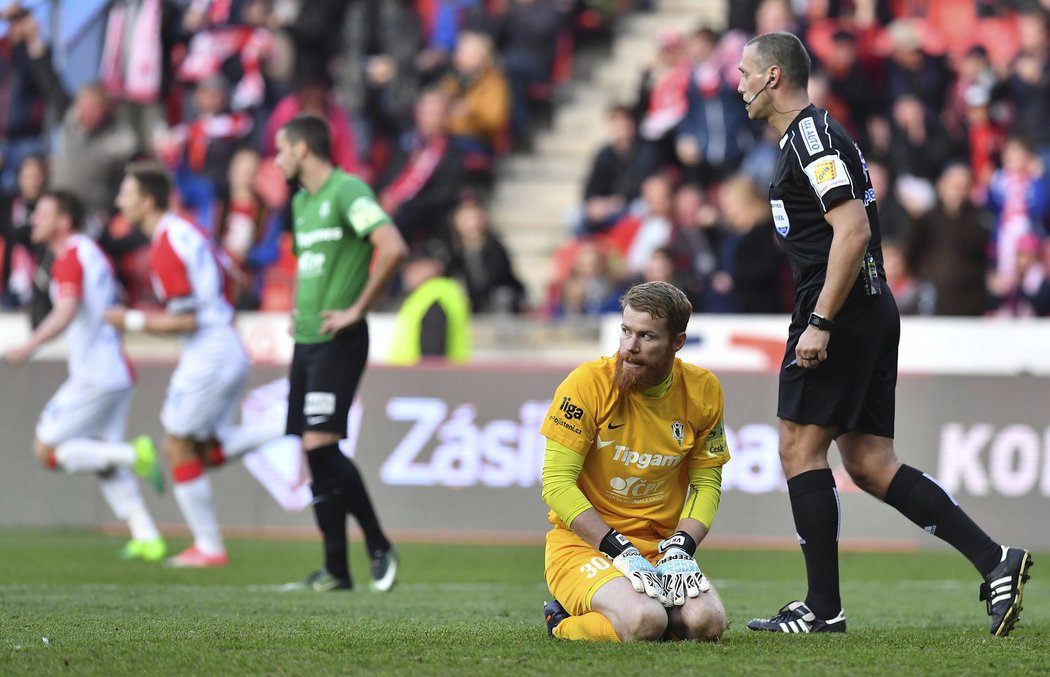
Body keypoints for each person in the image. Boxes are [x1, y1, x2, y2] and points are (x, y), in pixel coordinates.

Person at [736, 32, 1033, 637]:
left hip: (839, 308)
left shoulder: (812, 137)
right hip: (863, 306)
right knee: (870, 462)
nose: (737, 84)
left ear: (772, 76)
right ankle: (994, 559)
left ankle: (823, 608)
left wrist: (819, 321)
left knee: (798, 446)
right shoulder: (808, 136)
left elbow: (852, 233)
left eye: (744, 73)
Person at [105, 162, 282, 568]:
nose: (119, 202)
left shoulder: (167, 244)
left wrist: (129, 319)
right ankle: (285, 428)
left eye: (126, 194)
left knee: (176, 445)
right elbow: (233, 277)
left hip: (209, 353)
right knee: (203, 451)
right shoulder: (189, 230)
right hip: (226, 343)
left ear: (147, 201)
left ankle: (209, 546)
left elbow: (186, 319)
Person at [540, 281, 729, 642]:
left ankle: (635, 607)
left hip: (659, 549)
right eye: (625, 331)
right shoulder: (587, 384)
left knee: (706, 624)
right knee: (646, 622)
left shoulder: (703, 390)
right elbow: (556, 483)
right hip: (584, 545)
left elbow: (706, 484)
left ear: (677, 342)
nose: (630, 347)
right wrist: (617, 547)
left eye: (646, 337)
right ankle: (560, 622)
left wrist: (682, 546)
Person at [273, 114, 405, 592]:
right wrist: (299, 309)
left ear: (302, 149)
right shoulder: (301, 202)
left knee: (319, 446)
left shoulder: (348, 191)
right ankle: (335, 570)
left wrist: (355, 309)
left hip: (339, 340)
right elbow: (311, 265)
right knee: (314, 454)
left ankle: (376, 544)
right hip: (307, 340)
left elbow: (391, 247)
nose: (277, 157)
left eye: (281, 148)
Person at [1, 190, 166, 561]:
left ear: (64, 221)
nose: (33, 220)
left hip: (94, 375)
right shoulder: (94, 254)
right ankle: (147, 537)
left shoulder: (70, 257)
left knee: (47, 450)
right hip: (115, 371)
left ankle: (133, 453)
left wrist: (28, 347)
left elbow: (65, 312)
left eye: (42, 213)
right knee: (99, 459)